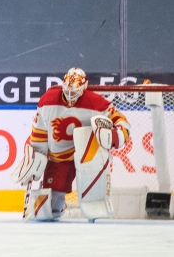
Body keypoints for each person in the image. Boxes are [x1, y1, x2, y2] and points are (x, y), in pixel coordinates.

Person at [11, 67, 130, 220]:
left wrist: (118, 134)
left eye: (74, 92)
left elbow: (119, 119)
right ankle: (60, 206)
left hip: (87, 155)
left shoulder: (95, 103)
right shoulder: (48, 100)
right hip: (59, 157)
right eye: (67, 90)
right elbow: (40, 131)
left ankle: (97, 207)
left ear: (84, 87)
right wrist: (36, 157)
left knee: (93, 195)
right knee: (52, 208)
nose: (69, 95)